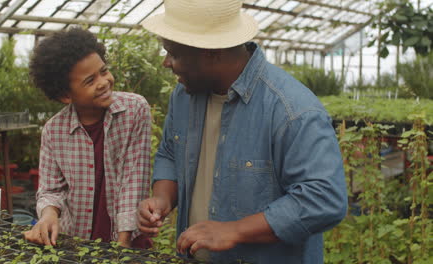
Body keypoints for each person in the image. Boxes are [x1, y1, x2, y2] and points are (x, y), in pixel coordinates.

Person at [136, 0, 347, 263]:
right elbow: (170, 151)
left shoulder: (291, 110)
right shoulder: (184, 95)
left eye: (174, 54)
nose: (167, 63)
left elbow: (324, 199)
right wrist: (162, 198)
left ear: (211, 52)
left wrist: (235, 230)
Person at [24, 27, 151, 248]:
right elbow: (51, 190)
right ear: (65, 95)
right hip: (76, 243)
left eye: (104, 71)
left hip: (127, 239)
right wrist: (48, 215)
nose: (103, 82)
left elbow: (133, 183)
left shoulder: (134, 110)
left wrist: (122, 247)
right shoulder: (54, 131)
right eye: (90, 80)